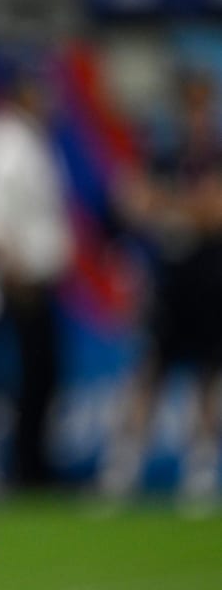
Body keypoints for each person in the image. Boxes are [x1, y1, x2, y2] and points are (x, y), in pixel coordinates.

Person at [101, 69, 222, 510]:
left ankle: (202, 468)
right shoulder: (164, 150)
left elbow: (214, 212)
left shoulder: (213, 150)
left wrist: (171, 203)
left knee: (208, 377)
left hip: (209, 276)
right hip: (169, 276)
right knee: (149, 372)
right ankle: (122, 467)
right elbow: (131, 198)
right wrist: (184, 204)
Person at [0, 55, 73, 489]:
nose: (50, 98)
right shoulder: (2, 139)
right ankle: (18, 473)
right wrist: (13, 269)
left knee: (40, 382)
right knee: (15, 383)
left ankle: (32, 468)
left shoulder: (28, 136)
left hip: (33, 283)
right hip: (14, 286)